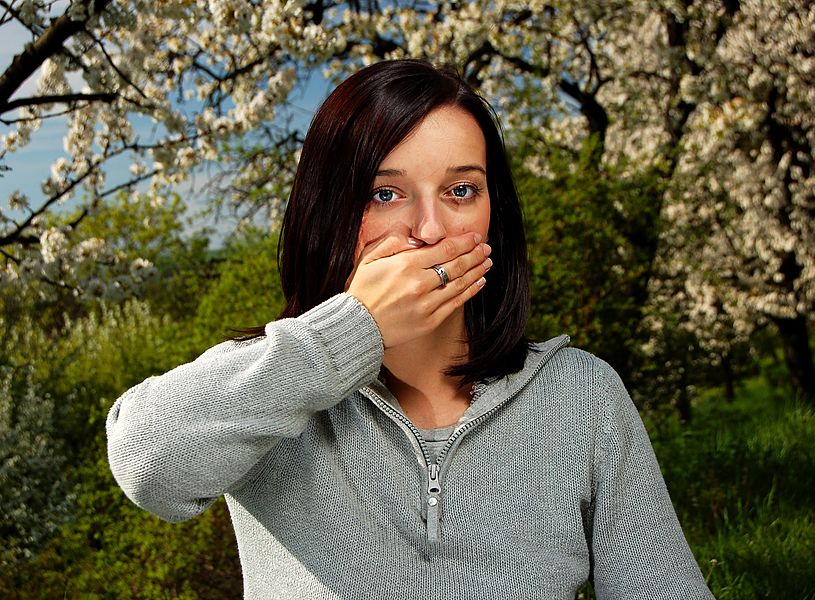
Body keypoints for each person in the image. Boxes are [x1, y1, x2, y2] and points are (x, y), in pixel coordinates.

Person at [107, 59, 714, 599]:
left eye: (459, 190)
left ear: (491, 214)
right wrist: (353, 329)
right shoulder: (271, 382)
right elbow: (145, 464)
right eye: (385, 193)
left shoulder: (581, 396)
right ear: (331, 210)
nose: (428, 228)